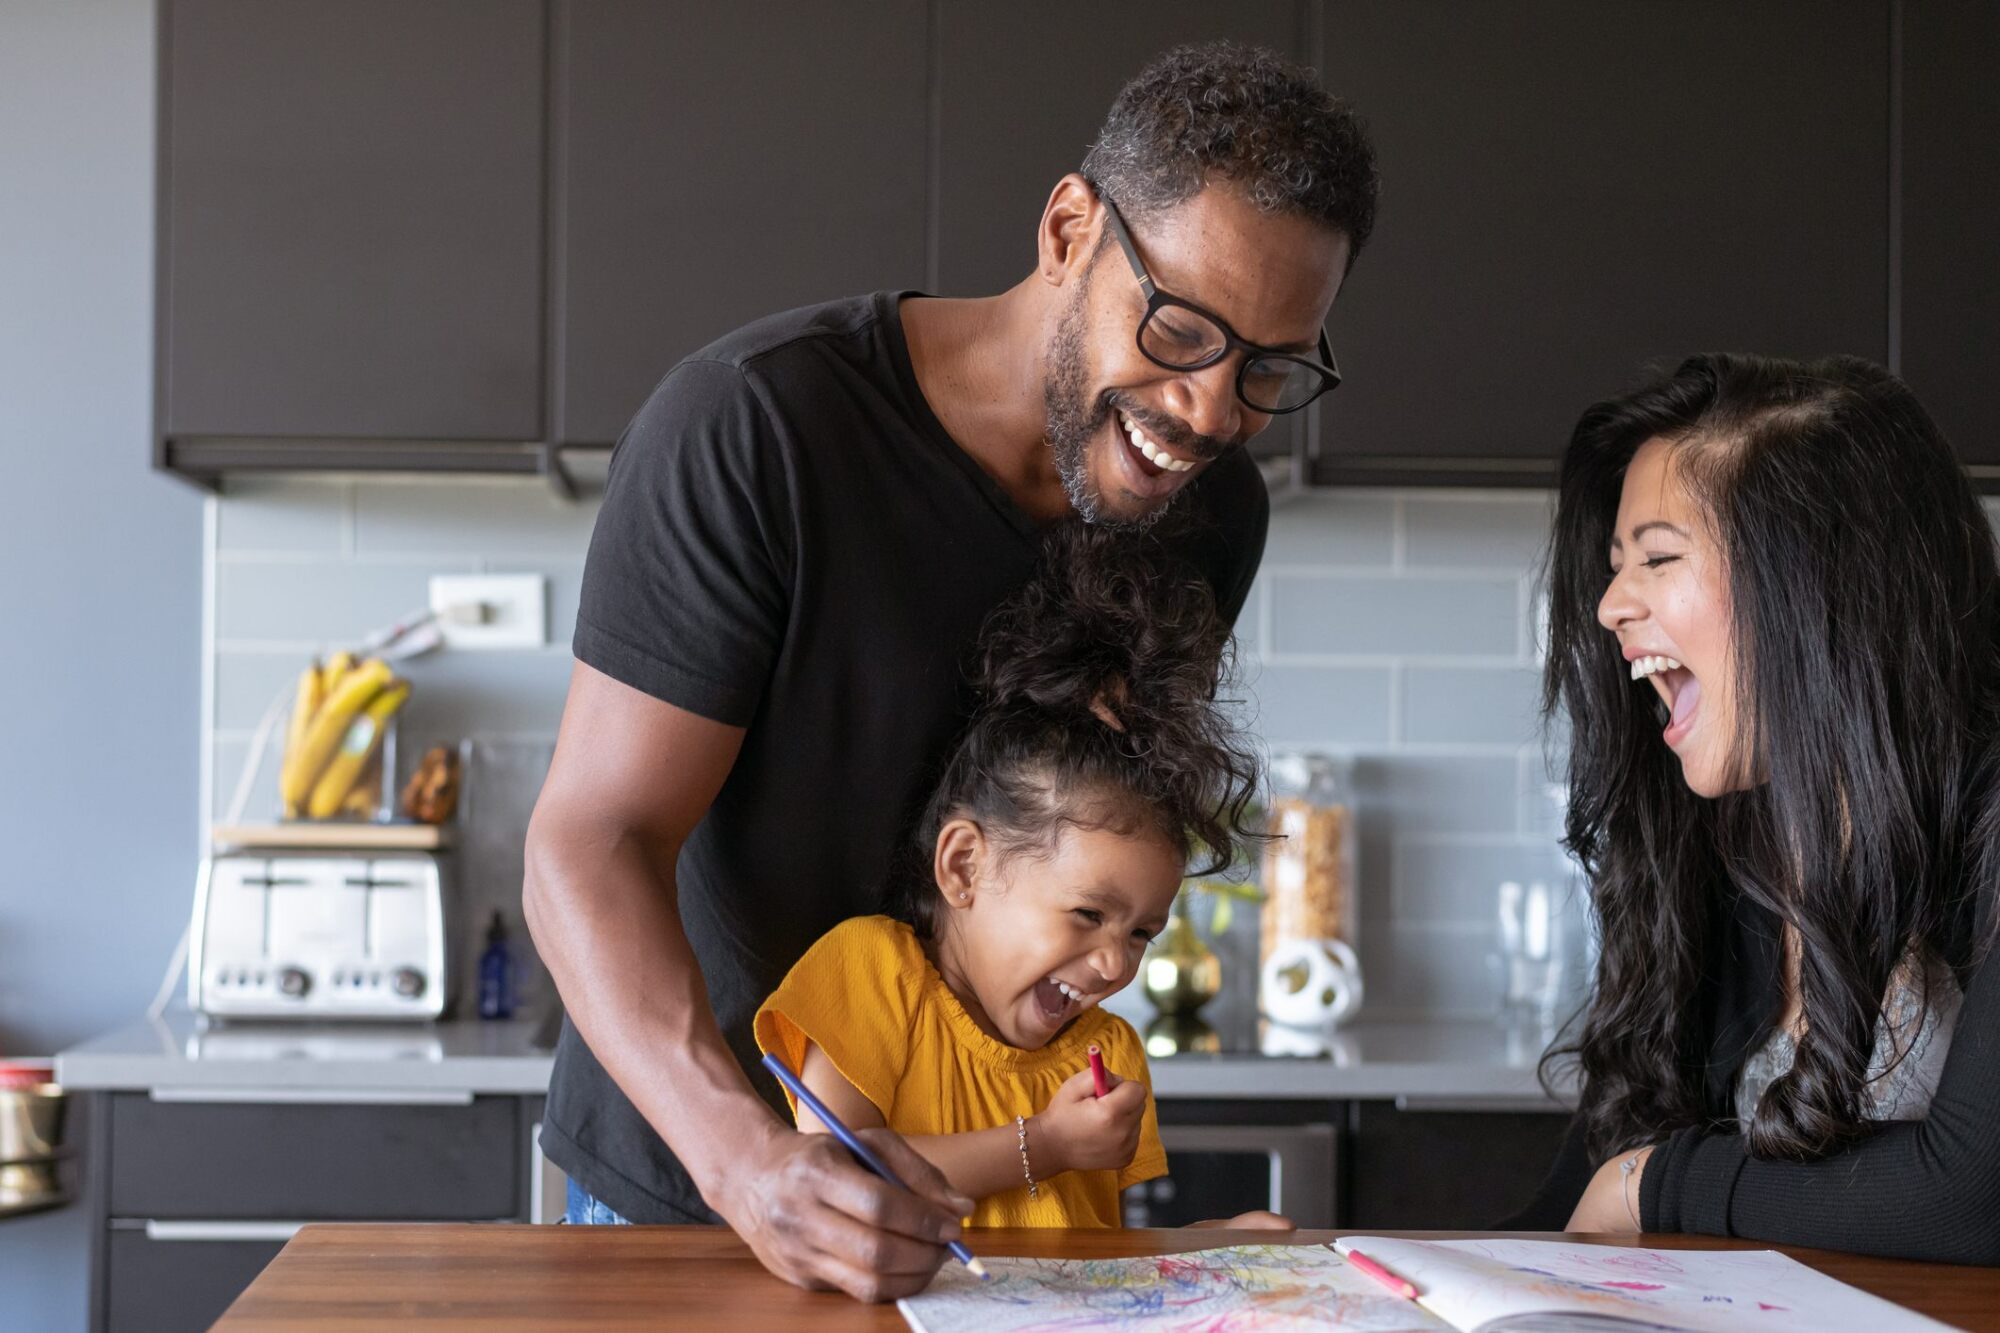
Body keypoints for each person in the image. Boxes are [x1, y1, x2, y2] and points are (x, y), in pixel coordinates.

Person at [522, 40, 1378, 1301]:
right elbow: (588, 842)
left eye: (1268, 368)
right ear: (1067, 228)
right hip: (703, 1188)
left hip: (996, 1227)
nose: (1211, 412)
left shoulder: (1209, 516)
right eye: (1182, 327)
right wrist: (749, 1161)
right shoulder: (756, 427)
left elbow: (1086, 827)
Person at [1506, 353, 2000, 1264]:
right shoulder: (1723, 843)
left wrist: (1651, 1184)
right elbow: (1578, 1198)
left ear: (1823, 585)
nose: (1612, 603)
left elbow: (1975, 1197)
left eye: (1658, 556)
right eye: (1618, 565)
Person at [755, 525, 1283, 1228]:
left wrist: (1212, 1244)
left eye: (1142, 934)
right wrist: (1046, 1144)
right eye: (1090, 914)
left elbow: (1100, 1256)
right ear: (964, 865)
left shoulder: (1107, 1053)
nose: (1114, 964)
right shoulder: (870, 975)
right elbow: (840, 1178)